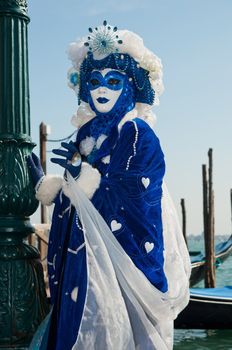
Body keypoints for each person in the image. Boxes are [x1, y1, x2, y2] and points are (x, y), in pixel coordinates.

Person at [28, 21, 191, 350]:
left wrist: (80, 175)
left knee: (106, 320)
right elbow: (81, 190)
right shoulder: (87, 134)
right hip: (83, 248)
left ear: (131, 87)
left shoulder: (136, 134)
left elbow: (134, 193)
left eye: (113, 81)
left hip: (119, 253)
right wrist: (54, 183)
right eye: (94, 81)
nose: (102, 89)